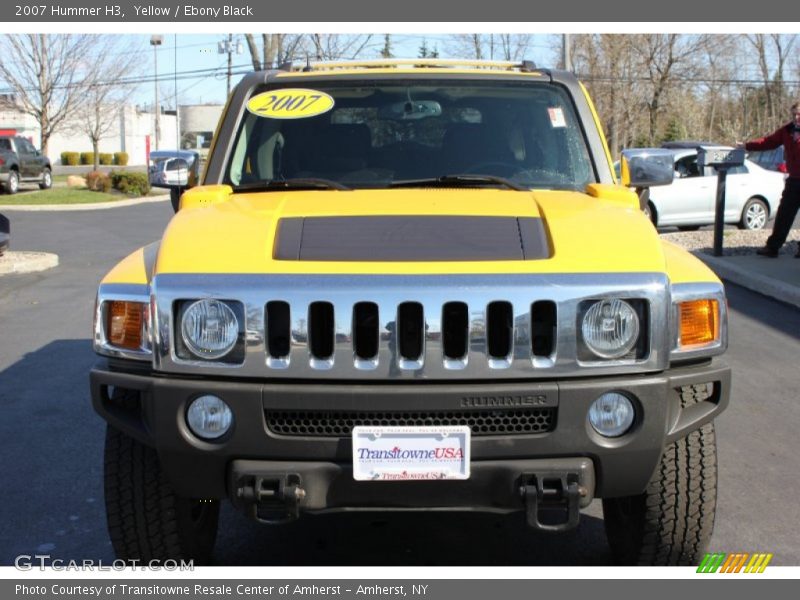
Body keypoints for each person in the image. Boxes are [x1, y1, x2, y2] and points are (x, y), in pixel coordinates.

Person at [739, 101, 800, 258]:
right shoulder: (787, 131)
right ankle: (773, 247)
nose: (796, 117)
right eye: (794, 114)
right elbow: (769, 142)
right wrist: (747, 146)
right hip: (794, 180)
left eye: (799, 114)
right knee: (784, 214)